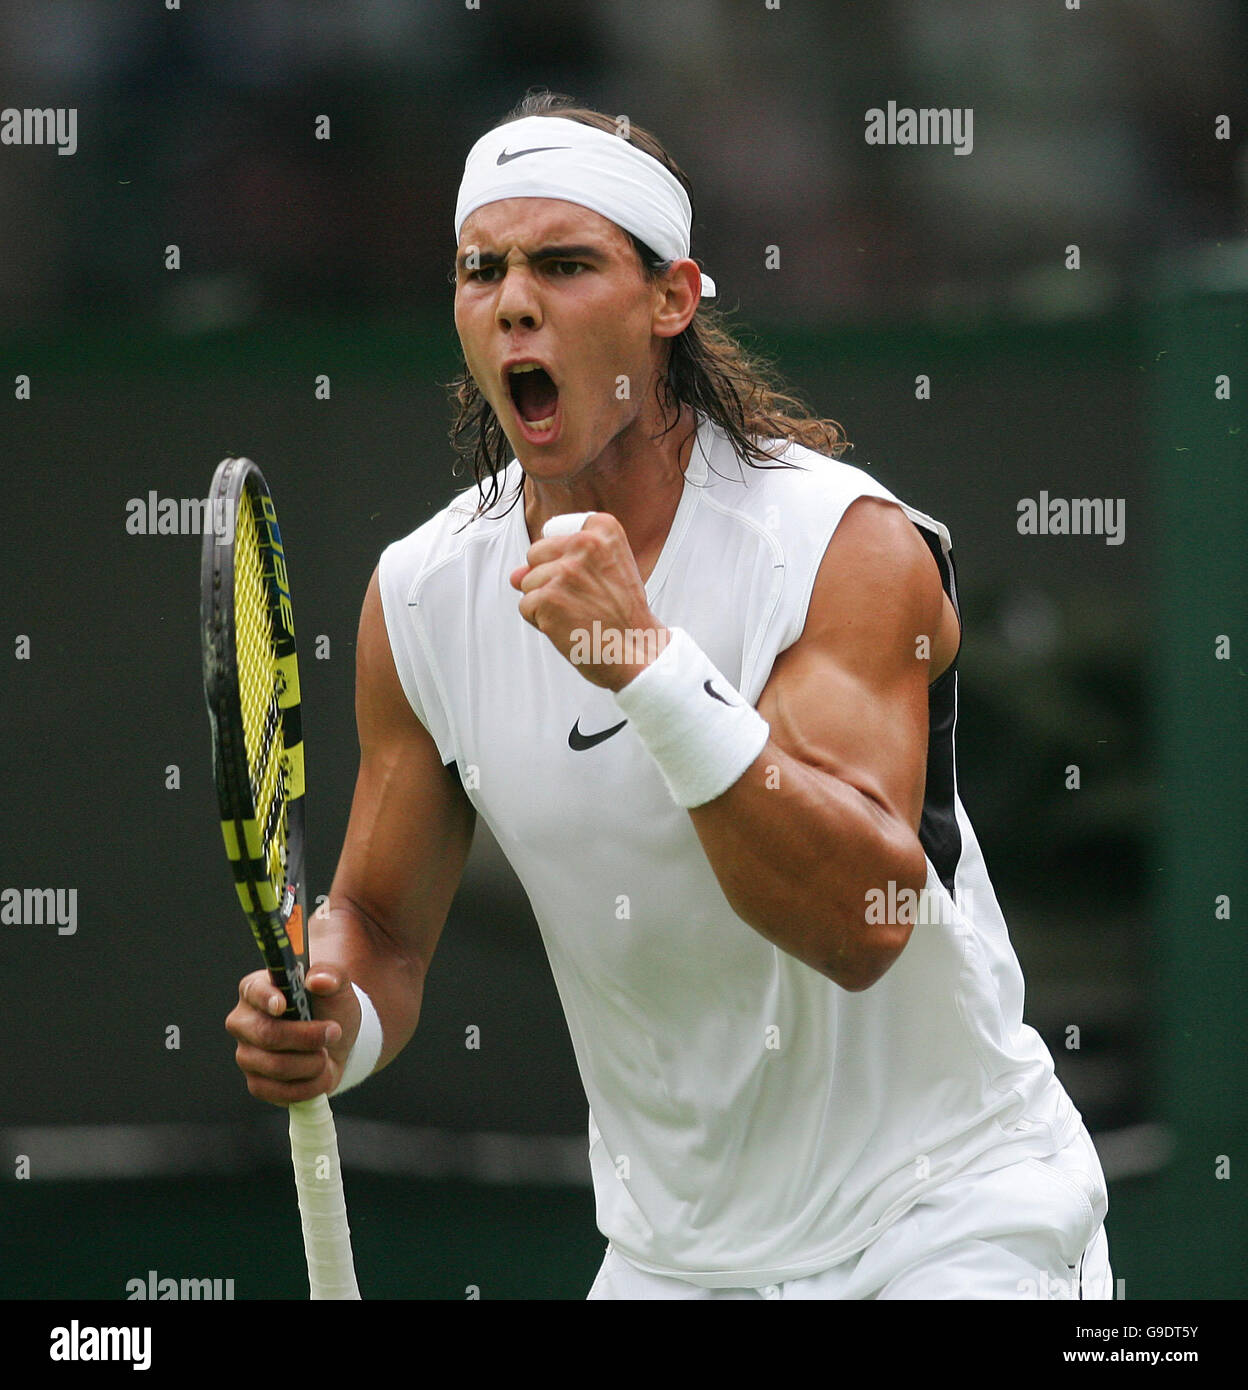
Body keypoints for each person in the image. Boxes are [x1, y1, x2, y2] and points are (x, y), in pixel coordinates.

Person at [227, 90, 1112, 1300]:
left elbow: (859, 925)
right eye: (481, 268)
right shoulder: (422, 599)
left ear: (671, 301)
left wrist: (648, 664)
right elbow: (378, 929)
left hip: (948, 1217)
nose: (515, 300)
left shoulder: (842, 546)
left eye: (565, 262)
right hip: (676, 1260)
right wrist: (335, 1017)